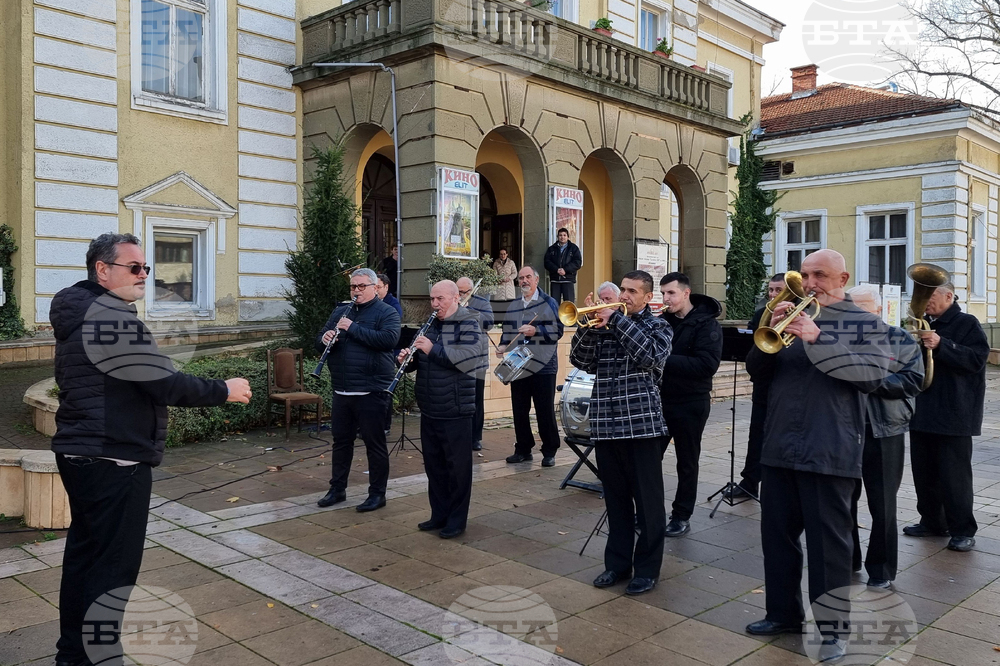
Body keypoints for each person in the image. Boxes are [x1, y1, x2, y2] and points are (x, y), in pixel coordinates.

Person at [50, 233, 251, 666]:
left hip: (81, 453)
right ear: (102, 270)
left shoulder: (79, 311)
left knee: (85, 560)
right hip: (114, 459)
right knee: (111, 571)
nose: (144, 274)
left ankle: (73, 655)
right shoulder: (109, 317)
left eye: (147, 267)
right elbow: (162, 383)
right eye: (134, 267)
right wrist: (224, 389)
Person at [743, 250, 891, 664]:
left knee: (830, 548)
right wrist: (769, 332)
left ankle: (833, 631)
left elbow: (872, 377)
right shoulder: (793, 316)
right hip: (780, 445)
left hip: (830, 448)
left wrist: (818, 338)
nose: (810, 283)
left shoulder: (866, 323)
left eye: (820, 275)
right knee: (777, 539)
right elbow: (757, 371)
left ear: (842, 278)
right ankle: (782, 614)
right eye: (805, 275)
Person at [569, 271, 672, 595]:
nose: (624, 295)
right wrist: (588, 328)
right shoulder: (606, 325)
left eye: (631, 291)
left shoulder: (658, 326)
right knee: (615, 502)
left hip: (641, 427)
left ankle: (647, 570)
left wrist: (615, 320)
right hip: (606, 425)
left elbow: (649, 356)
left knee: (649, 504)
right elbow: (580, 360)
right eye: (623, 289)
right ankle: (617, 565)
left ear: (647, 297)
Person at [846, 284, 924, 589]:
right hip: (844, 429)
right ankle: (847, 558)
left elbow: (913, 381)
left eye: (862, 307)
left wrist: (870, 381)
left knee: (883, 504)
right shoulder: (839, 339)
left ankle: (881, 569)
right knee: (842, 501)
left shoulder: (899, 338)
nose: (855, 313)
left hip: (884, 429)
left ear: (878, 310)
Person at [904, 282, 989, 553]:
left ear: (949, 296)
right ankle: (932, 522)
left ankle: (963, 530)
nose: (925, 300)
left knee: (955, 478)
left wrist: (942, 344)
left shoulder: (967, 323)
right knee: (924, 473)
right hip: (923, 409)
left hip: (955, 412)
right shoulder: (922, 323)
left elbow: (977, 359)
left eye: (930, 295)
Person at [399, 281, 487, 539]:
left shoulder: (469, 322)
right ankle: (439, 514)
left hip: (455, 407)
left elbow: (466, 358)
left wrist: (432, 348)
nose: (434, 304)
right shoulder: (430, 324)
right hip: (430, 406)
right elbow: (421, 360)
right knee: (434, 466)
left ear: (456, 298)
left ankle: (456, 521)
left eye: (440, 299)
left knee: (457, 469)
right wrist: (406, 360)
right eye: (432, 299)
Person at [315, 268, 401, 512]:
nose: (356, 291)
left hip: (372, 389)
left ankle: (377, 494)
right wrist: (324, 338)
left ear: (375, 287)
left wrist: (352, 328)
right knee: (341, 442)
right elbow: (318, 339)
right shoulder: (340, 311)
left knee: (375, 444)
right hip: (342, 388)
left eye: (362, 286)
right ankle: (337, 489)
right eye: (353, 286)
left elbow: (389, 340)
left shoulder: (387, 311)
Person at [657, 272, 723, 537]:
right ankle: (650, 511)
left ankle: (681, 516)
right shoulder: (663, 321)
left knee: (687, 462)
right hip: (661, 399)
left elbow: (707, 365)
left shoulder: (707, 324)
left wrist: (663, 358)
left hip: (691, 402)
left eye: (671, 293)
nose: (666, 299)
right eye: (663, 293)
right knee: (649, 458)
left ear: (686, 293)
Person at [498, 266, 563, 466]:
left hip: (543, 365)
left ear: (536, 279)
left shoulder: (549, 302)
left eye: (528, 277)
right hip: (519, 365)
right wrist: (502, 345)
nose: (524, 281)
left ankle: (550, 450)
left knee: (544, 410)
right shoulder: (515, 304)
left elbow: (558, 331)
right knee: (519, 409)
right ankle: (523, 449)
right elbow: (508, 329)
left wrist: (536, 331)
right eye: (521, 278)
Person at [729, 273, 785, 500]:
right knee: (757, 436)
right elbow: (752, 346)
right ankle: (749, 483)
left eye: (778, 290)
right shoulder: (761, 314)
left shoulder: (802, 315)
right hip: (763, 383)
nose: (773, 294)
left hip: (785, 384)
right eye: (770, 290)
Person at [457, 276, 494, 451]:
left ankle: (475, 437)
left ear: (471, 291)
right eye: (458, 291)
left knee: (476, 399)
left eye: (463, 292)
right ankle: (460, 435)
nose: (460, 295)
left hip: (478, 359)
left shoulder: (482, 303)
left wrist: (469, 311)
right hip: (457, 357)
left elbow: (489, 323)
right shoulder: (452, 301)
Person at [543, 228, 582, 303]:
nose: (562, 237)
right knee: (554, 304)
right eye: (560, 235)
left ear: (568, 237)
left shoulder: (573, 248)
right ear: (558, 237)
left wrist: (565, 270)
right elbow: (547, 262)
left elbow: (577, 262)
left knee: (569, 304)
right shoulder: (551, 249)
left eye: (564, 235)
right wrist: (556, 269)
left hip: (568, 279)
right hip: (555, 280)